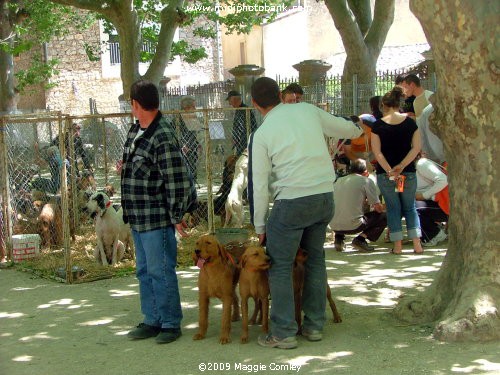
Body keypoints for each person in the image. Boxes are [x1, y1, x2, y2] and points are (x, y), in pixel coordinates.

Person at [248, 77, 363, 349]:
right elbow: (348, 128)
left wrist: (260, 226)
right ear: (280, 94)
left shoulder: (261, 134)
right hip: (324, 197)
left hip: (291, 202)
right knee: (315, 261)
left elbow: (259, 184)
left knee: (280, 265)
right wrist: (359, 127)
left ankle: (284, 331)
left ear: (254, 104)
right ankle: (313, 326)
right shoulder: (308, 109)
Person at [121, 80, 196, 344]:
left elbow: (177, 181)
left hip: (157, 218)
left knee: (161, 270)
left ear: (135, 104)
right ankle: (152, 320)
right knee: (144, 270)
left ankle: (170, 323)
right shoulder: (136, 130)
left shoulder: (162, 134)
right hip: (138, 216)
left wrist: (176, 216)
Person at [371, 86, 423, 255]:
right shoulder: (410, 123)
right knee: (409, 207)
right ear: (399, 103)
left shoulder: (377, 126)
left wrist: (389, 170)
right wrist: (401, 166)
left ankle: (398, 246)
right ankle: (417, 245)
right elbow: (416, 148)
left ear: (384, 106)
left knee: (393, 208)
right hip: (407, 172)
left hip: (387, 175)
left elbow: (377, 152)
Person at [330, 159, 387, 252]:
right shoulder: (366, 181)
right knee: (384, 216)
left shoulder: (338, 181)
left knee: (342, 208)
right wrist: (388, 205)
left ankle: (338, 239)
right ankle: (360, 239)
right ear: (365, 172)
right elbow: (378, 208)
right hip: (353, 225)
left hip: (333, 224)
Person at [415, 156, 448, 247]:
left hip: (445, 205)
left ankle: (432, 235)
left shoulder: (421, 164)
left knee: (413, 207)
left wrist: (423, 195)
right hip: (435, 204)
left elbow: (443, 180)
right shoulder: (399, 174)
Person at [177, 96, 203, 179]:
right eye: (193, 106)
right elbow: (176, 133)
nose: (195, 108)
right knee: (186, 169)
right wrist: (182, 145)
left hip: (192, 147)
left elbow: (194, 133)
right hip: (183, 148)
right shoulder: (178, 118)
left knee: (193, 168)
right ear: (187, 107)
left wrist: (198, 144)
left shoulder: (192, 117)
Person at [226, 90, 257, 157]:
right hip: (241, 142)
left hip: (244, 142)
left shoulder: (244, 110)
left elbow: (242, 128)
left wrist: (236, 138)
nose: (229, 104)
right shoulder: (240, 109)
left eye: (230, 101)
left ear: (235, 99)